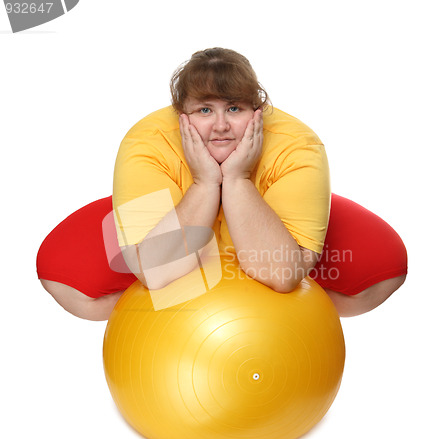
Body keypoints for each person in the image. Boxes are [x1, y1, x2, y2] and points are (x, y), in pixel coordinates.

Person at [37, 48, 407, 321]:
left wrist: (238, 178)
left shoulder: (298, 145)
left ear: (257, 110)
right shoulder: (147, 142)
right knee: (78, 292)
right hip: (177, 207)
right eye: (204, 110)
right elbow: (153, 272)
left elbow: (281, 274)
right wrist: (203, 182)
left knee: (382, 272)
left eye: (234, 108)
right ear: (181, 115)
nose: (220, 126)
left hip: (267, 209)